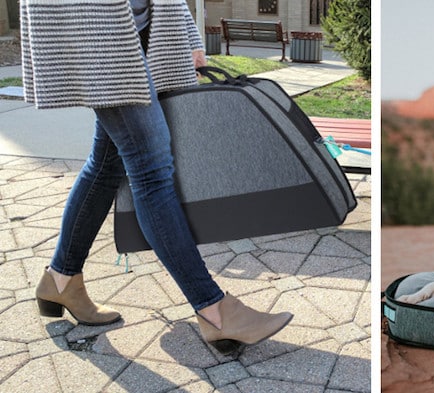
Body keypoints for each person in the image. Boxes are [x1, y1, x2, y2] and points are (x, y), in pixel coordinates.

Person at [20, 0, 292, 354]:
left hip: (131, 32)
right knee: (151, 168)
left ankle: (61, 279)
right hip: (95, 30)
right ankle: (214, 310)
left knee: (106, 164)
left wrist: (188, 35)